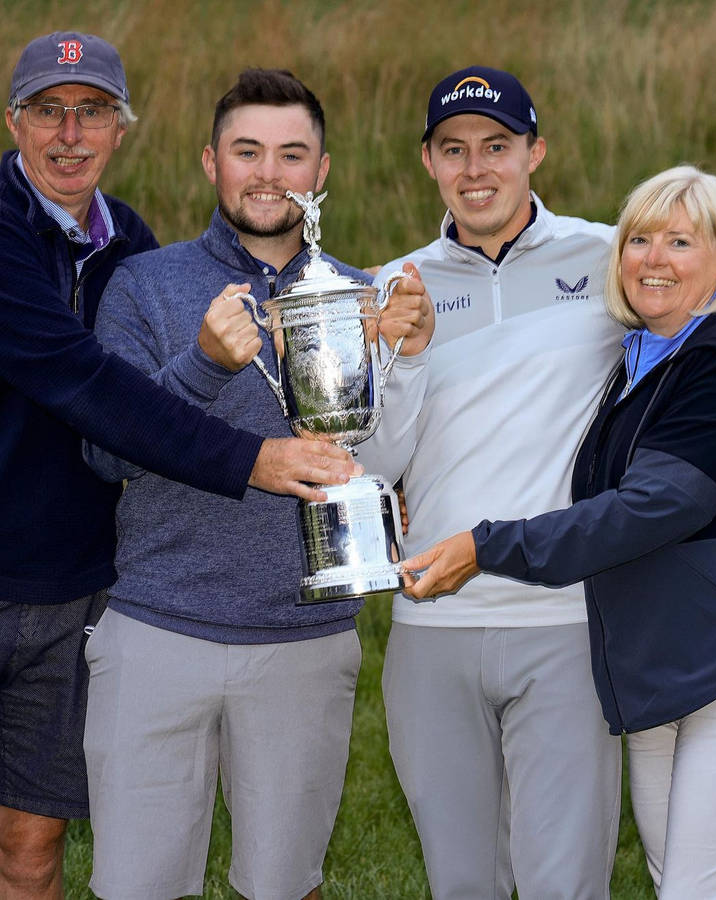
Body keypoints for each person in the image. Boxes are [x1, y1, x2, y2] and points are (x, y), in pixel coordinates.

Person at [0, 34, 360, 900]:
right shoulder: (141, 277)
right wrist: (246, 443)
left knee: (30, 849)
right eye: (49, 110)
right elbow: (92, 399)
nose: (70, 133)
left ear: (120, 129)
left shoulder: (125, 243)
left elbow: (377, 442)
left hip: (70, 582)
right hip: (140, 612)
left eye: (92, 111)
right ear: (14, 122)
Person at [82, 68, 433, 900]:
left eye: (291, 154)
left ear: (322, 171)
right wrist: (203, 364)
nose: (269, 173)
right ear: (211, 163)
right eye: (247, 152)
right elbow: (104, 457)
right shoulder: (144, 285)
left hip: (303, 640)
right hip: (157, 631)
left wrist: (406, 356)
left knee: (284, 886)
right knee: (134, 887)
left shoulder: (357, 297)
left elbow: (387, 462)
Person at [404, 165, 716, 900]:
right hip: (659, 674)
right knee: (672, 876)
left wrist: (486, 545)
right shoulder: (637, 364)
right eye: (639, 239)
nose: (653, 258)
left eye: (681, 241)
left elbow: (650, 507)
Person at [357, 66, 626, 899]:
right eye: (453, 149)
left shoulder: (610, 256)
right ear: (428, 162)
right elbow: (371, 470)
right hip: (432, 620)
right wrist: (405, 358)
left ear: (533, 153)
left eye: (496, 146)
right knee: (460, 882)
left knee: (563, 884)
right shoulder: (392, 284)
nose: (475, 169)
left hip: (565, 619)